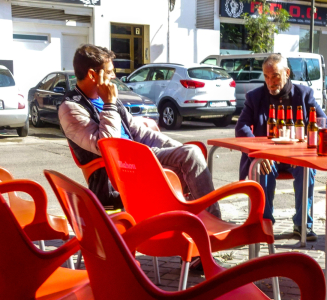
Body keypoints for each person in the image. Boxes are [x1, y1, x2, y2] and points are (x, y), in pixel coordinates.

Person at [59, 44, 220, 218]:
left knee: (191, 156)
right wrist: (109, 105)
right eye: (110, 72)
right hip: (120, 174)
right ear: (92, 74)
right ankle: (211, 222)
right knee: (191, 158)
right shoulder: (71, 109)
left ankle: (183, 227)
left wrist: (177, 148)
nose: (114, 77)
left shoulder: (106, 98)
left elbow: (138, 132)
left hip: (140, 159)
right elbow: (107, 145)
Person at [235, 53, 327, 241]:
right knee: (262, 167)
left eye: (275, 76)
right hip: (268, 155)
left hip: (297, 156)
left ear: (287, 73)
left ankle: (303, 225)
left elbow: (324, 124)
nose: (270, 82)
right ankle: (265, 222)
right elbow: (241, 127)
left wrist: (303, 150)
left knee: (306, 169)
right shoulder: (255, 97)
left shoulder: (304, 95)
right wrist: (259, 153)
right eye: (266, 76)